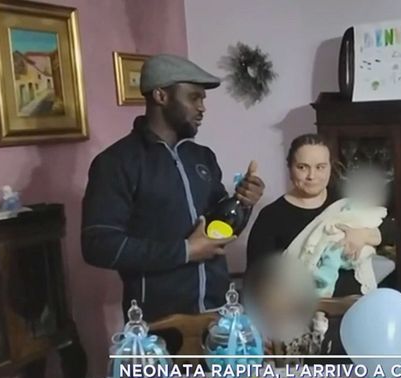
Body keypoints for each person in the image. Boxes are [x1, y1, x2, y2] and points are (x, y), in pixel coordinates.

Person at [81, 54, 265, 322]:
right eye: (194, 98)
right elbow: (98, 245)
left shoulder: (203, 157)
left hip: (219, 313)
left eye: (203, 99)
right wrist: (185, 251)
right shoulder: (116, 163)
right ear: (161, 96)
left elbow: (219, 229)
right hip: (158, 323)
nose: (202, 108)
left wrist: (243, 203)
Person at [246, 133, 382, 358]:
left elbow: (383, 233)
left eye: (320, 167)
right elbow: (258, 280)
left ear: (330, 167)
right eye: (302, 167)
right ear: (290, 168)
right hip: (300, 327)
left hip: (357, 317)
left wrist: (363, 235)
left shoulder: (345, 204)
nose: (312, 176)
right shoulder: (271, 217)